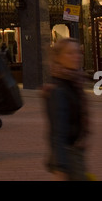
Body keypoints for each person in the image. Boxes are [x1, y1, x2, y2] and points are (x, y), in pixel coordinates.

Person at [42, 38, 89, 181]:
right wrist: (60, 167)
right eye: (70, 53)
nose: (76, 56)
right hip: (68, 157)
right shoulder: (59, 90)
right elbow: (58, 132)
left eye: (78, 52)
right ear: (58, 58)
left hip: (75, 153)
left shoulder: (73, 83)